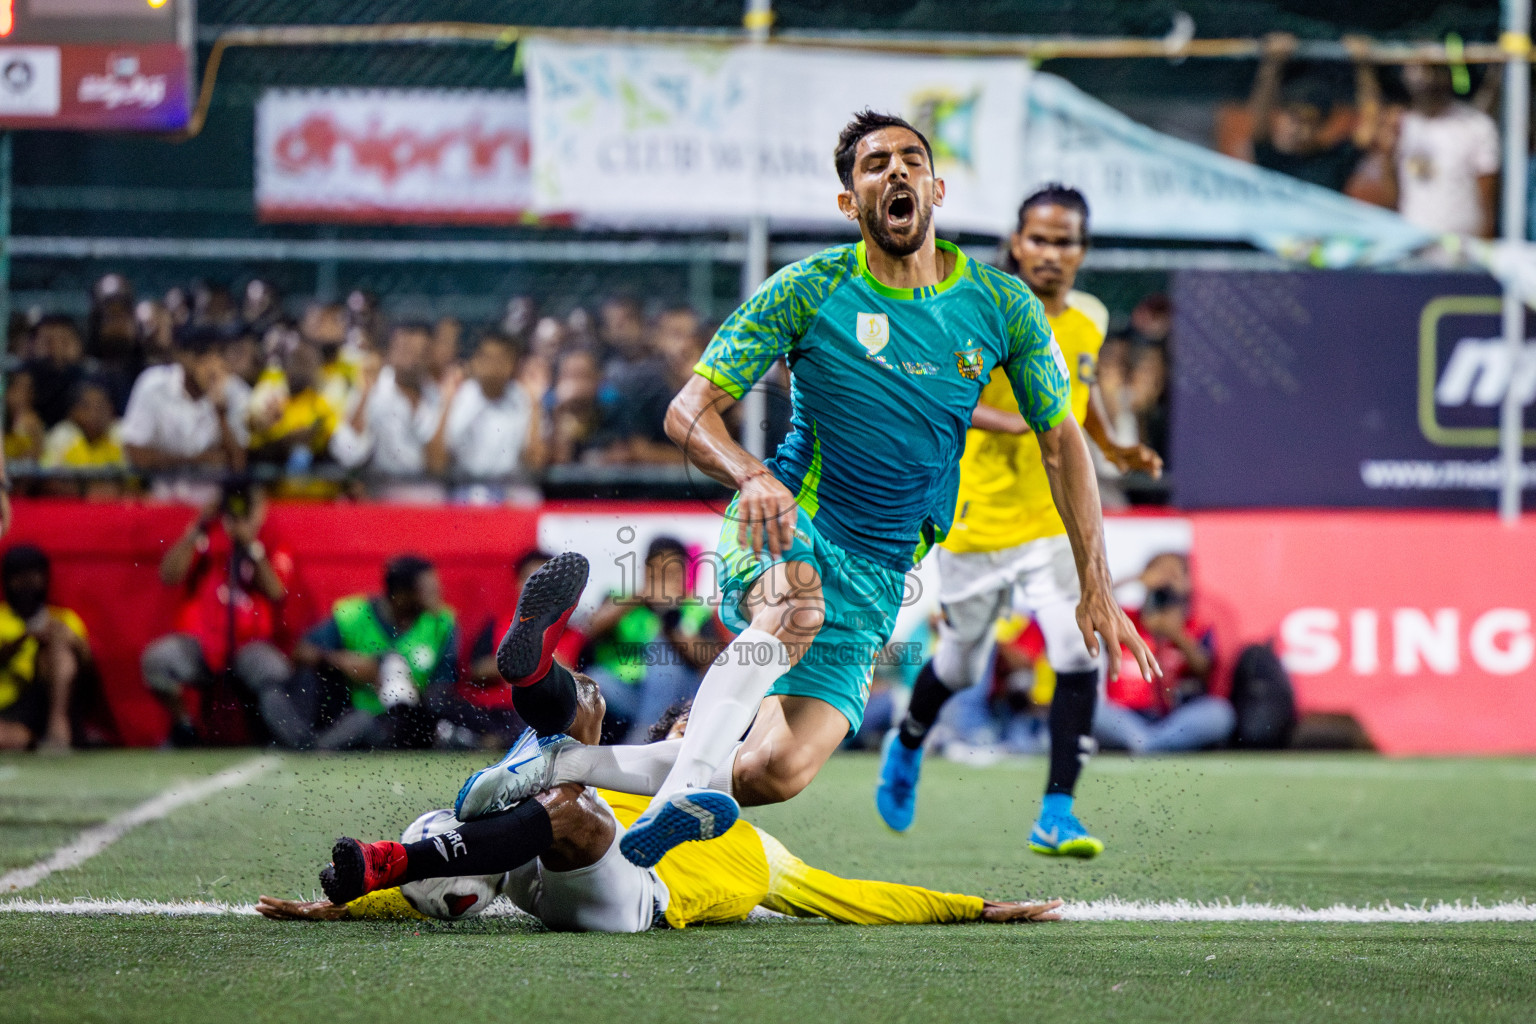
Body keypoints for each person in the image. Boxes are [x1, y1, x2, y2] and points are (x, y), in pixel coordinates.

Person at [454, 110, 1157, 871]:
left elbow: (1064, 443)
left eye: (911, 160)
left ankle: (557, 769)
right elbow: (686, 410)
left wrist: (1097, 581)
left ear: (937, 188)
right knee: (794, 604)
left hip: (884, 568)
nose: (895, 171)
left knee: (774, 771)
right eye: (873, 163)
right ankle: (685, 789)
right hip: (792, 518)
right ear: (849, 204)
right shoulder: (808, 289)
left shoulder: (1002, 306)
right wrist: (752, 475)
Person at [274, 677, 1061, 931]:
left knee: (571, 810)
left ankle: (545, 724)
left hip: (623, 896)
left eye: (709, 733)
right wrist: (339, 908)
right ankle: (395, 861)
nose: (701, 736)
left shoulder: (759, 851)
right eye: (688, 730)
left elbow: (852, 898)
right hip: (522, 865)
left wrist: (975, 906)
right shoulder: (628, 776)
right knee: (492, 818)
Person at [875, 185, 1163, 852]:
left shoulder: (1087, 318)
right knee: (962, 665)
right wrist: (1028, 421)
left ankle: (1057, 810)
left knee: (1076, 645)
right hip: (976, 520)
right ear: (1016, 242)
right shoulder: (977, 309)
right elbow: (940, 396)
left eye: (1065, 242)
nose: (1051, 253)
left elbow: (1074, 394)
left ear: (1083, 252)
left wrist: (1111, 444)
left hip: (1050, 520)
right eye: (1039, 238)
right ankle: (909, 740)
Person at [140, 487, 296, 748]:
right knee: (156, 661)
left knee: (275, 671)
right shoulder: (207, 537)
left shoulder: (272, 543)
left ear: (262, 510)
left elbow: (275, 591)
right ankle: (184, 728)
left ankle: (273, 735)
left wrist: (250, 545)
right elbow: (169, 576)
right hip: (201, 642)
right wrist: (198, 527)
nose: (240, 513)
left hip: (249, 643)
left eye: (249, 507)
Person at [287, 554, 461, 750]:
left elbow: (444, 688)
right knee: (308, 680)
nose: (438, 592)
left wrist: (408, 689)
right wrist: (342, 662)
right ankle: (305, 742)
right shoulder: (355, 615)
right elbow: (301, 652)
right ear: (402, 594)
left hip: (405, 721)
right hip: (348, 709)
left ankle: (312, 748)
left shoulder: (442, 624)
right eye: (428, 588)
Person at [582, 536, 725, 742]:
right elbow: (591, 628)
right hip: (627, 691)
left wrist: (669, 618)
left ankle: (645, 738)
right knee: (594, 681)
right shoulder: (622, 599)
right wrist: (640, 597)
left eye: (672, 573)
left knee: (662, 648)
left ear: (684, 574)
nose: (666, 581)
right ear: (646, 570)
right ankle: (648, 736)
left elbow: (707, 660)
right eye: (658, 573)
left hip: (677, 696)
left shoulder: (696, 609)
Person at [1093, 553, 1233, 754]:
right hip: (1125, 715)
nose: (1165, 581)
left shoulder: (1195, 627)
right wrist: (1136, 579)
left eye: (1174, 575)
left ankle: (1146, 744)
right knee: (1087, 709)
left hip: (1174, 719)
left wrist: (1176, 635)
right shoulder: (1126, 620)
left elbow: (1205, 670)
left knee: (1220, 713)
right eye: (1160, 572)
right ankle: (1148, 743)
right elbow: (1096, 605)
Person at [329, 323, 451, 500]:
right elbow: (348, 452)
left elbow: (440, 462)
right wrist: (365, 394)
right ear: (389, 352)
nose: (412, 359)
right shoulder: (374, 388)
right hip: (385, 499)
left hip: (429, 499)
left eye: (419, 352)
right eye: (405, 350)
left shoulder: (437, 394)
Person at [1245, 32, 1379, 192]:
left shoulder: (1334, 163)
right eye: (1292, 118)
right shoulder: (1270, 159)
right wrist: (1272, 65)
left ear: (1319, 127)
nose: (1296, 128)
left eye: (1305, 121)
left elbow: (1370, 125)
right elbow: (1259, 113)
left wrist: (1363, 65)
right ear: (1281, 117)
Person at [1384, 62, 1500, 238]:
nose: (1425, 82)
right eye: (1417, 73)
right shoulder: (1402, 124)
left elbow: (1488, 195)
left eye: (1433, 72)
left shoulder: (1474, 125)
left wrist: (1485, 243)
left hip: (1462, 244)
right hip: (1412, 242)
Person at [426, 331, 547, 498]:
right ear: (475, 361)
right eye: (487, 358)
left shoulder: (524, 399)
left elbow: (535, 463)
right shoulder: (459, 396)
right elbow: (436, 463)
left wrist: (535, 405)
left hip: (510, 490)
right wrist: (446, 404)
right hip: (465, 489)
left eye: (501, 359)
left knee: (529, 497)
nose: (493, 366)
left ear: (512, 364)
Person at [119, 328, 250, 477]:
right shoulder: (154, 384)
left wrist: (221, 415)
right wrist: (198, 460)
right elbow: (135, 454)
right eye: (201, 355)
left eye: (217, 355)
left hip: (215, 495)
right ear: (181, 356)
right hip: (162, 493)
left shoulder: (234, 390)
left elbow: (239, 465)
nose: (210, 364)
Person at [0, 545, 93, 751]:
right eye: (19, 576)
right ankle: (31, 740)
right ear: (8, 580)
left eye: (33, 574)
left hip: (52, 699)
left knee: (57, 647)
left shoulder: (63, 618)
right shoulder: (1, 617)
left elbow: (88, 667)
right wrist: (23, 639)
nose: (26, 582)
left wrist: (70, 640)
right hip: (12, 706)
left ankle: (57, 727)